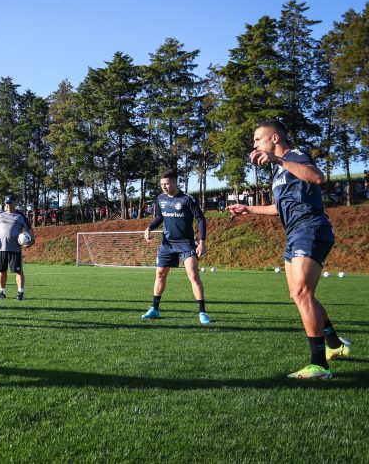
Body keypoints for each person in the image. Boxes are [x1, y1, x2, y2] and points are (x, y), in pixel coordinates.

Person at [227, 120, 350, 380]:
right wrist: (248, 209)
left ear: (274, 138)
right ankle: (335, 344)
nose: (254, 144)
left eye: (257, 139)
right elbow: (279, 207)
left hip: (311, 227)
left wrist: (279, 160)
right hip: (294, 233)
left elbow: (317, 177)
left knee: (303, 293)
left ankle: (320, 366)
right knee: (298, 294)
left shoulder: (295, 156)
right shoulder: (278, 171)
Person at [142, 169, 210, 325]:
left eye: (166, 184)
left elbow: (200, 219)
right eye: (162, 184)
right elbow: (159, 216)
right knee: (160, 274)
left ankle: (202, 312)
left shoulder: (187, 199)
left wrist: (202, 243)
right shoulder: (160, 199)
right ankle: (154, 309)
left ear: (174, 182)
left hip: (186, 244)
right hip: (167, 244)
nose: (164, 187)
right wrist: (149, 228)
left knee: (193, 275)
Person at [0, 194, 35, 301]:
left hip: (15, 248)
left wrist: (32, 240)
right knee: (2, 271)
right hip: (1, 248)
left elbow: (29, 229)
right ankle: (2, 292)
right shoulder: (0, 215)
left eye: (10, 203)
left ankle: (20, 292)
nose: (8, 205)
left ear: (15, 203)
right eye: (7, 203)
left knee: (18, 271)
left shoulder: (20, 216)